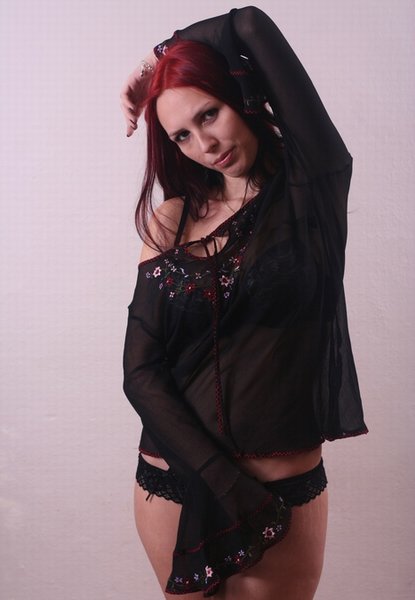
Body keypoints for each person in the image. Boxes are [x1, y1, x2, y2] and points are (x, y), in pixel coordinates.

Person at [121, 6, 368, 599]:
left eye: (210, 113)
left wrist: (160, 56)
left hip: (275, 491)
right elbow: (141, 371)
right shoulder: (172, 219)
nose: (205, 144)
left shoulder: (312, 191)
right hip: (175, 480)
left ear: (242, 95)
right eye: (182, 135)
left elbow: (252, 23)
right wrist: (222, 483)